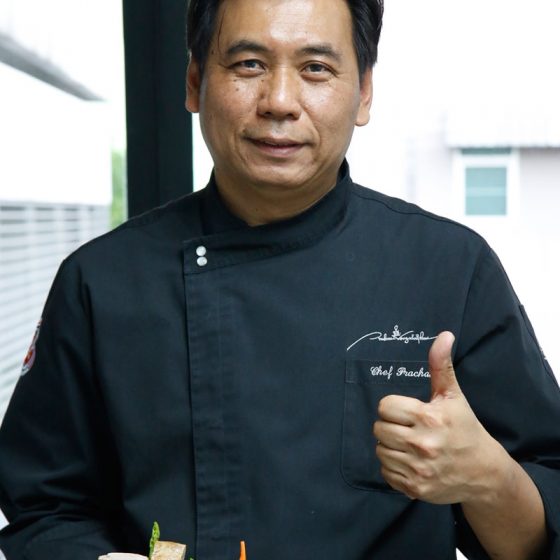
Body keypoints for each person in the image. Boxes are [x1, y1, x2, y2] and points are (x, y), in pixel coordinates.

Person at [1, 0, 559, 558]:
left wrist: (489, 479)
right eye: (248, 64)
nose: (280, 102)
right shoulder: (100, 282)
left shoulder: (451, 268)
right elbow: (45, 507)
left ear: (364, 92)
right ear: (194, 82)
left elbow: (544, 519)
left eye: (316, 68)